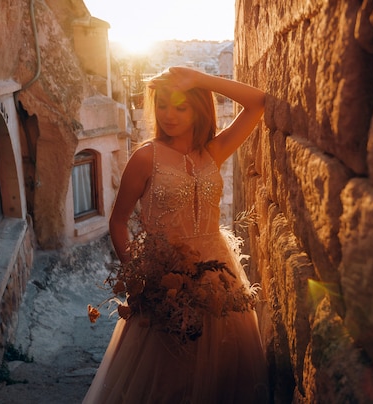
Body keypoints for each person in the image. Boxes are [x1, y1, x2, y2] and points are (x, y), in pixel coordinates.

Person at [83, 67, 269, 403]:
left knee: (222, 372)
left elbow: (257, 102)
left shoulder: (213, 151)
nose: (169, 115)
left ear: (199, 109)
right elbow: (119, 222)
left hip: (219, 277)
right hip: (165, 279)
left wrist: (200, 80)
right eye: (163, 105)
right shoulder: (145, 158)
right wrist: (138, 276)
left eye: (180, 107)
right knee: (168, 378)